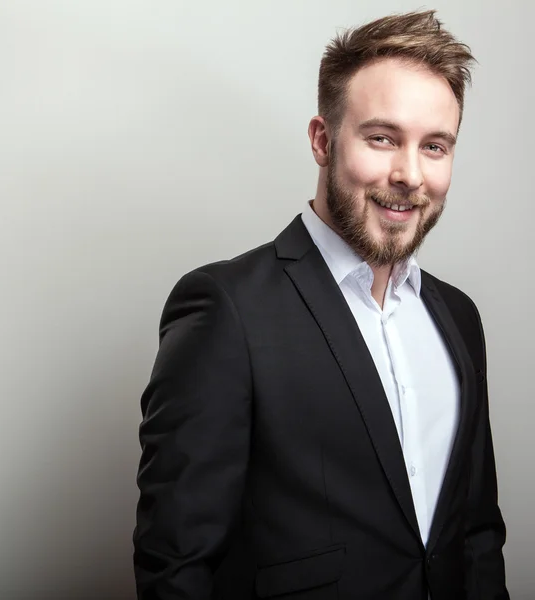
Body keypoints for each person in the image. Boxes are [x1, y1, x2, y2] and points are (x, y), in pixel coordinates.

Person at [133, 10, 509, 600]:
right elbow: (176, 566)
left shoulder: (459, 318)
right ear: (322, 139)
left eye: (435, 146)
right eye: (383, 138)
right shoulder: (227, 310)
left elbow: (478, 534)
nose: (410, 174)